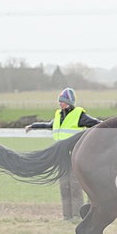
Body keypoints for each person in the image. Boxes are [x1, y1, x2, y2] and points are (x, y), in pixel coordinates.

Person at [25, 87, 102, 220]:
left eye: (63, 101)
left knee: (75, 187)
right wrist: (33, 126)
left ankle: (78, 216)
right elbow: (49, 125)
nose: (60, 103)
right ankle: (67, 217)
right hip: (61, 158)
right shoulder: (59, 115)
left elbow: (97, 124)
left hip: (74, 157)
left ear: (70, 102)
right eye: (60, 101)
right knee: (64, 187)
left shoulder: (80, 115)